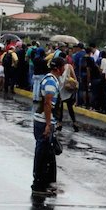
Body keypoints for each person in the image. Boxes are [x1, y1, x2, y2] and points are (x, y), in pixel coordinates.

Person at [32, 58, 64, 196]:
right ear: (58, 68)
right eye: (63, 67)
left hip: (45, 121)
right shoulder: (51, 81)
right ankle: (38, 185)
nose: (64, 69)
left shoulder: (51, 79)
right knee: (42, 153)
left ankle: (44, 183)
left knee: (46, 154)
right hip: (43, 122)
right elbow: (47, 103)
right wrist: (48, 124)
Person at [57, 57, 79, 129]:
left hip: (60, 89)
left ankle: (59, 123)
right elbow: (74, 77)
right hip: (68, 89)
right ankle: (74, 122)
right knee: (70, 107)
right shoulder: (69, 66)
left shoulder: (58, 67)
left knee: (60, 107)